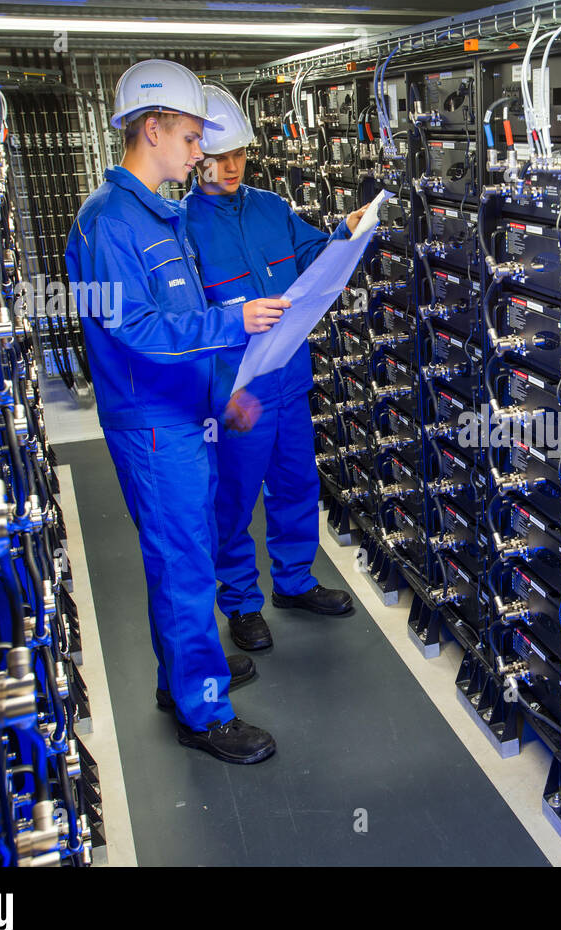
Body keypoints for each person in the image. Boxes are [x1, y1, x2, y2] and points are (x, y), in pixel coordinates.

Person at [64, 60, 285, 764]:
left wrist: (227, 392)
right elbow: (136, 329)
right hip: (153, 427)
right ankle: (204, 710)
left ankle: (178, 679)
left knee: (181, 556)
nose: (200, 155)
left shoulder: (161, 213)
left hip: (189, 416)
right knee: (184, 563)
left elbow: (181, 317)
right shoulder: (109, 224)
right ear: (151, 129)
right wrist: (234, 320)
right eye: (191, 139)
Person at [184, 84, 369, 651]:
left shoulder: (270, 207)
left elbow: (314, 258)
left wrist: (345, 230)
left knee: (296, 484)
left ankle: (293, 581)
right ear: (197, 158)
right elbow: (188, 318)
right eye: (220, 156)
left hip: (290, 376)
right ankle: (240, 602)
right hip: (238, 391)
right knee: (235, 497)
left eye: (240, 153)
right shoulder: (185, 226)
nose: (233, 165)